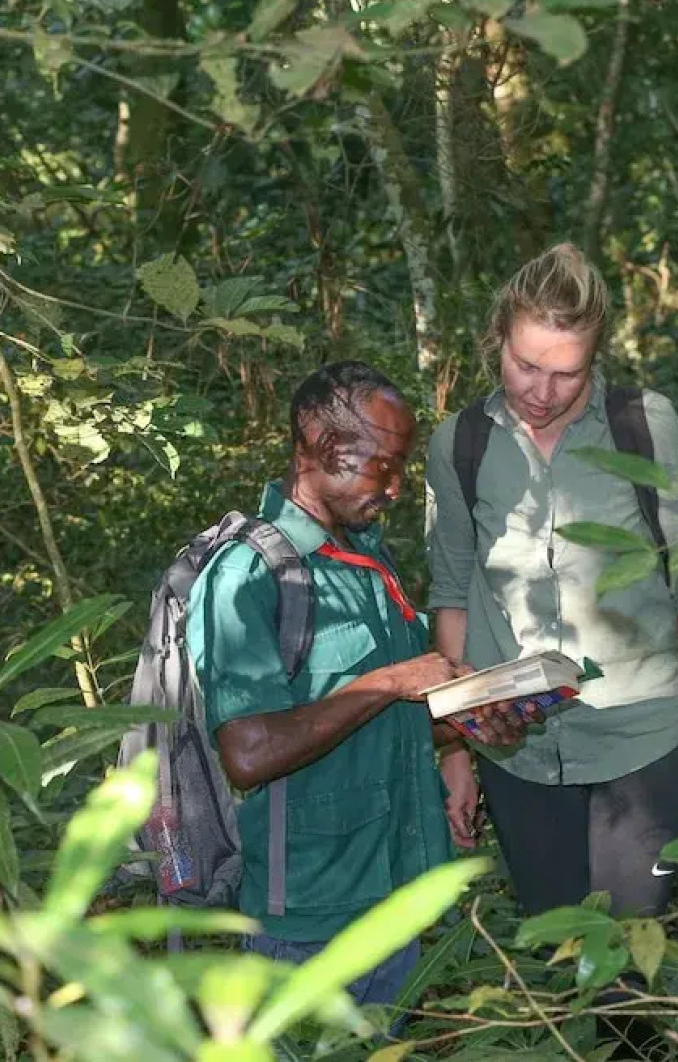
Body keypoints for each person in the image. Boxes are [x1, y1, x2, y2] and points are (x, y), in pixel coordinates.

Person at [425, 243, 678, 919]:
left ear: (595, 359)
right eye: (526, 366)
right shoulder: (460, 444)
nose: (541, 393)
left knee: (630, 966)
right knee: (559, 945)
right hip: (515, 749)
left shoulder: (643, 426)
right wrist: (455, 745)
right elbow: (452, 589)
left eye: (565, 375)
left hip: (644, 737)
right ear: (497, 340)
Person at [186, 360, 519, 1009]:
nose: (395, 488)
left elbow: (380, 719)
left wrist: (470, 721)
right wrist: (394, 679)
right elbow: (249, 753)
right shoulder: (246, 576)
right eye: (384, 465)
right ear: (328, 449)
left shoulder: (366, 562)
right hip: (310, 920)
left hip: (394, 889)